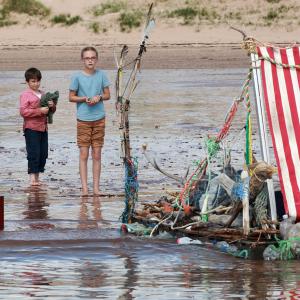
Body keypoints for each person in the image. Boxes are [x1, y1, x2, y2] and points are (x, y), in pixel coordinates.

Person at [69, 46, 110, 196]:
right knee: (84, 154)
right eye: (87, 58)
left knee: (97, 154)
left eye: (92, 58)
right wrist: (84, 99)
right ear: (83, 60)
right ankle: (85, 189)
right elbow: (71, 97)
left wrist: (99, 97)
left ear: (96, 59)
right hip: (83, 119)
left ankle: (96, 189)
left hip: (99, 119)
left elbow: (107, 95)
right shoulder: (76, 77)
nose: (90, 60)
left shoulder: (102, 75)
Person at [20, 67, 56, 186]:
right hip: (31, 128)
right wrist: (39, 111)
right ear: (27, 82)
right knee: (33, 152)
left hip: (43, 128)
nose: (36, 83)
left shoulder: (43, 94)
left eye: (38, 81)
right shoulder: (25, 95)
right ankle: (32, 178)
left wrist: (52, 105)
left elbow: (51, 112)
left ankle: (37, 177)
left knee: (43, 153)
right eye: (33, 81)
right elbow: (23, 112)